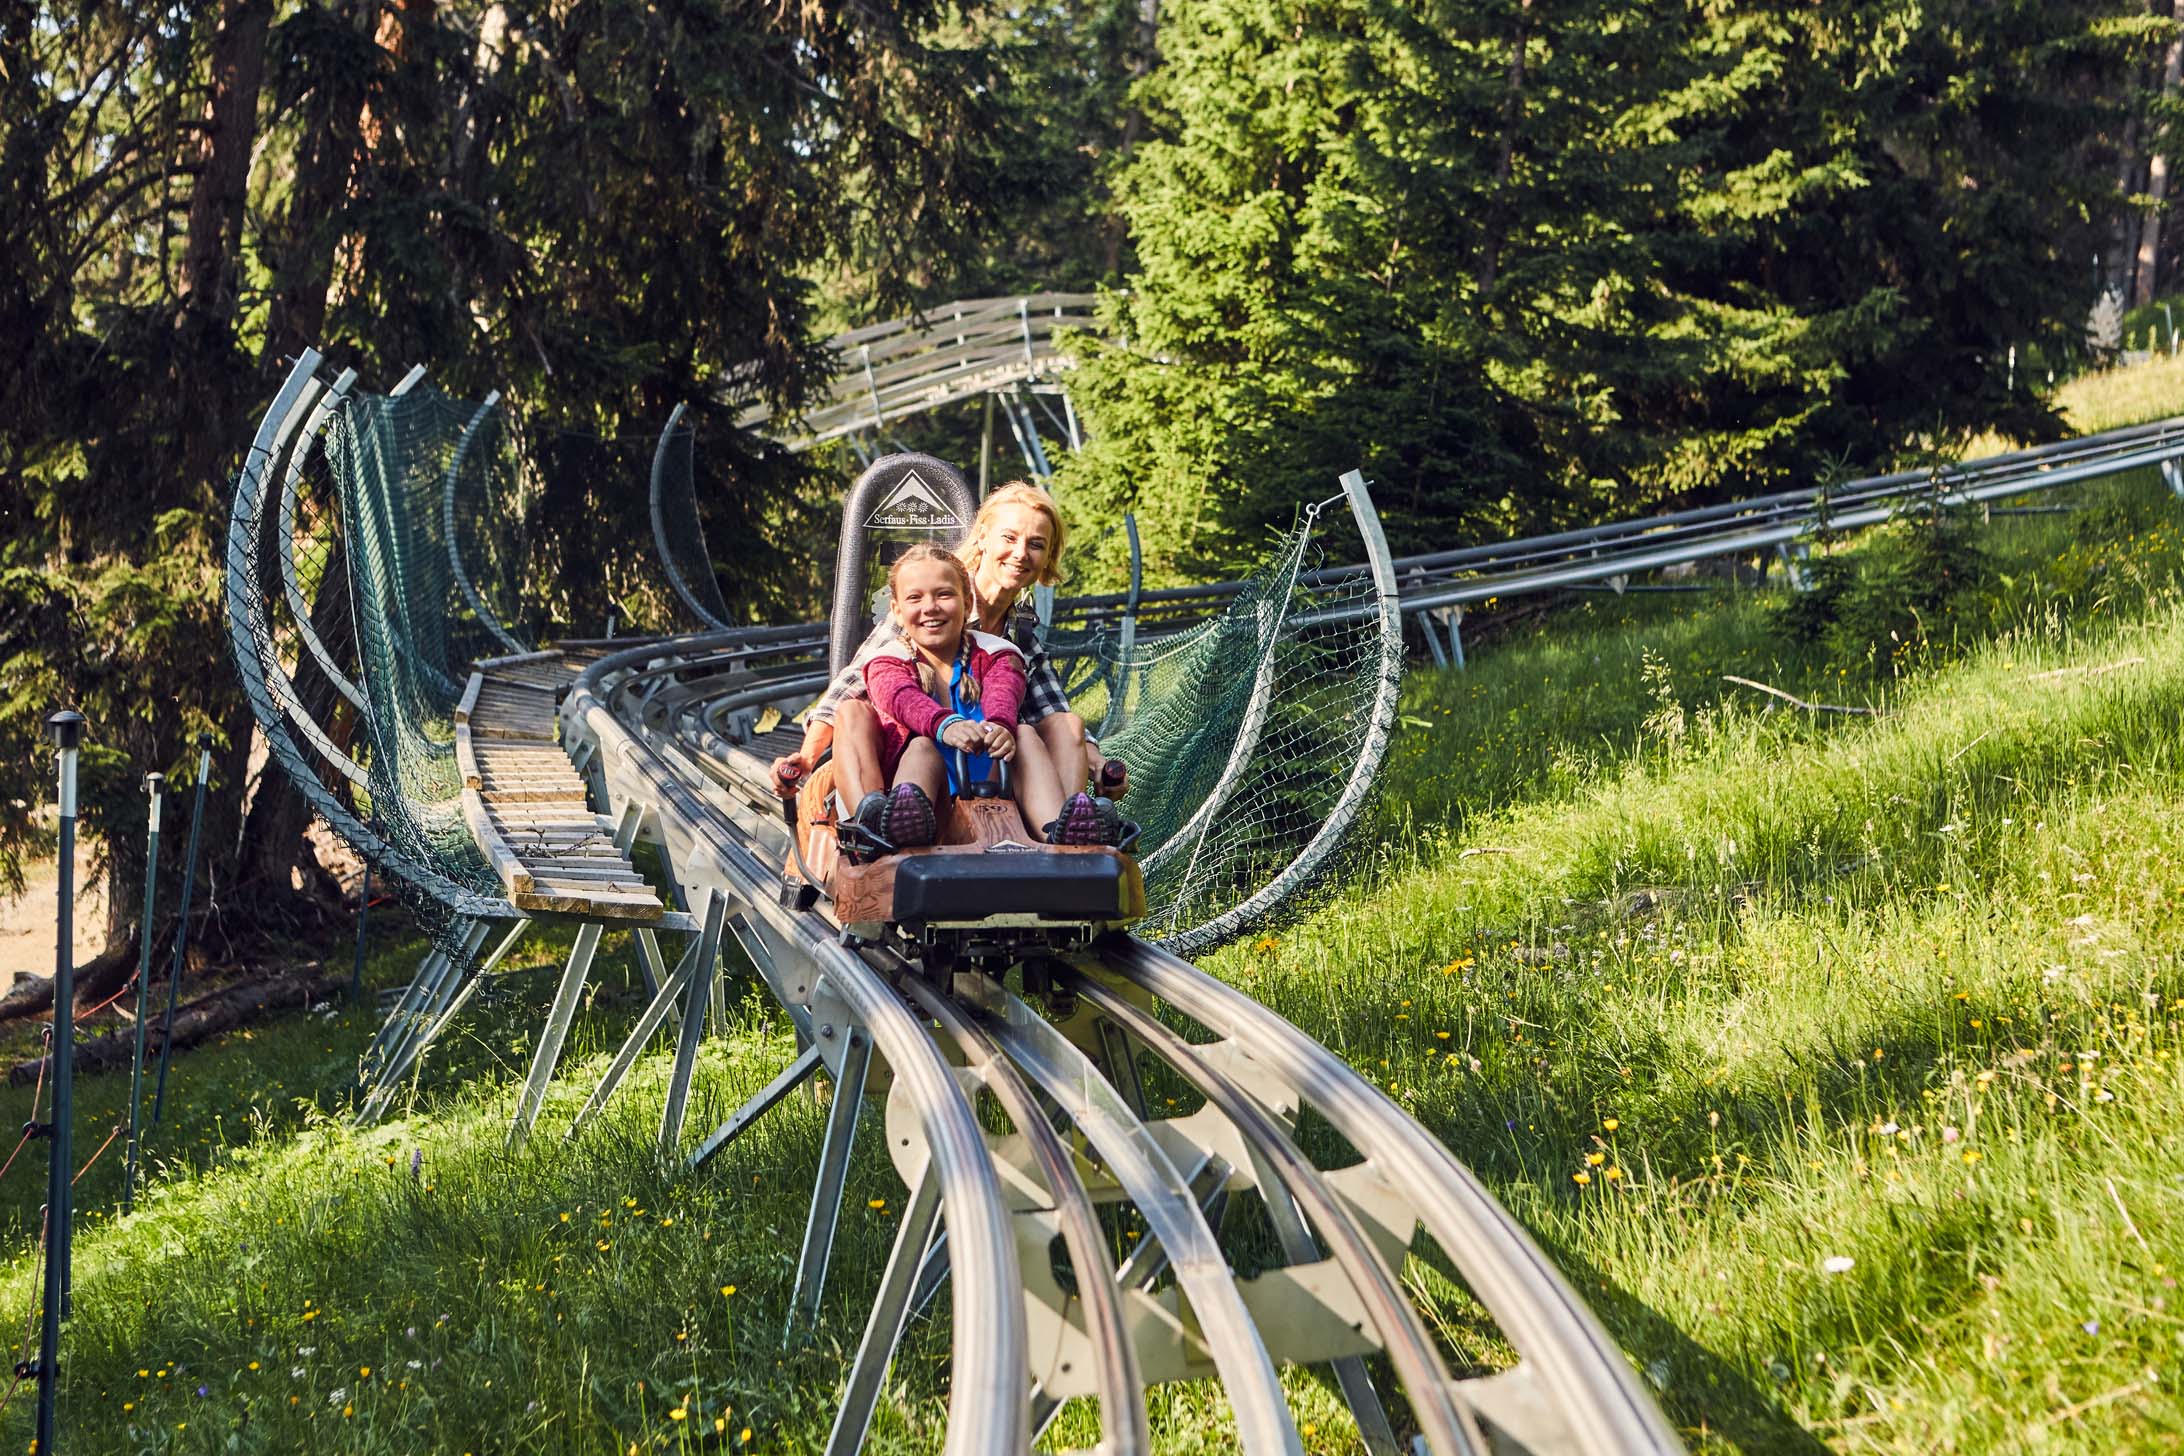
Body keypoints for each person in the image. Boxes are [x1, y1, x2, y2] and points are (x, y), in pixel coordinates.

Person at [772, 481, 1130, 844]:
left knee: (1066, 724)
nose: (1020, 554)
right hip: (917, 754)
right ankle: (879, 822)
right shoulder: (928, 606)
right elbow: (856, 685)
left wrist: (1097, 762)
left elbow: (1052, 710)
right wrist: (807, 756)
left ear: (1047, 557)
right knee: (860, 714)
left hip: (987, 762)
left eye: (1035, 545)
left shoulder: (1017, 637)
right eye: (1009, 538)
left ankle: (1064, 828)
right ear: (983, 539)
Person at [831, 543, 1026, 852]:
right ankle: (875, 826)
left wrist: (1000, 725)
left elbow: (1006, 690)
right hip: (922, 796)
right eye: (914, 598)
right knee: (865, 718)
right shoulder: (889, 661)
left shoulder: (993, 655)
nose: (930, 607)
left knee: (1030, 733)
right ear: (896, 610)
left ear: (967, 601)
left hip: (990, 795)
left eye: (944, 595)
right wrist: (946, 725)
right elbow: (901, 696)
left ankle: (1059, 829)